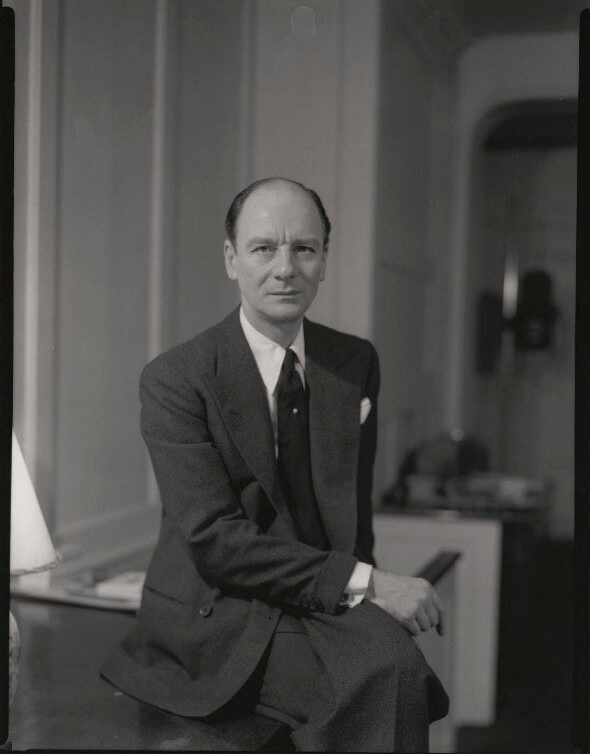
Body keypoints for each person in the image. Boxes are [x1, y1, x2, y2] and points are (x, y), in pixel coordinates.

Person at [101, 177, 449, 751]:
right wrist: (369, 584)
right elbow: (215, 541)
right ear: (231, 259)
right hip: (223, 607)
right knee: (387, 674)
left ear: (324, 260)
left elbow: (353, 507)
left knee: (394, 665)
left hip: (319, 590)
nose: (285, 268)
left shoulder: (354, 360)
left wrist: (363, 593)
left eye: (304, 248)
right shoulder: (176, 378)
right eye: (264, 248)